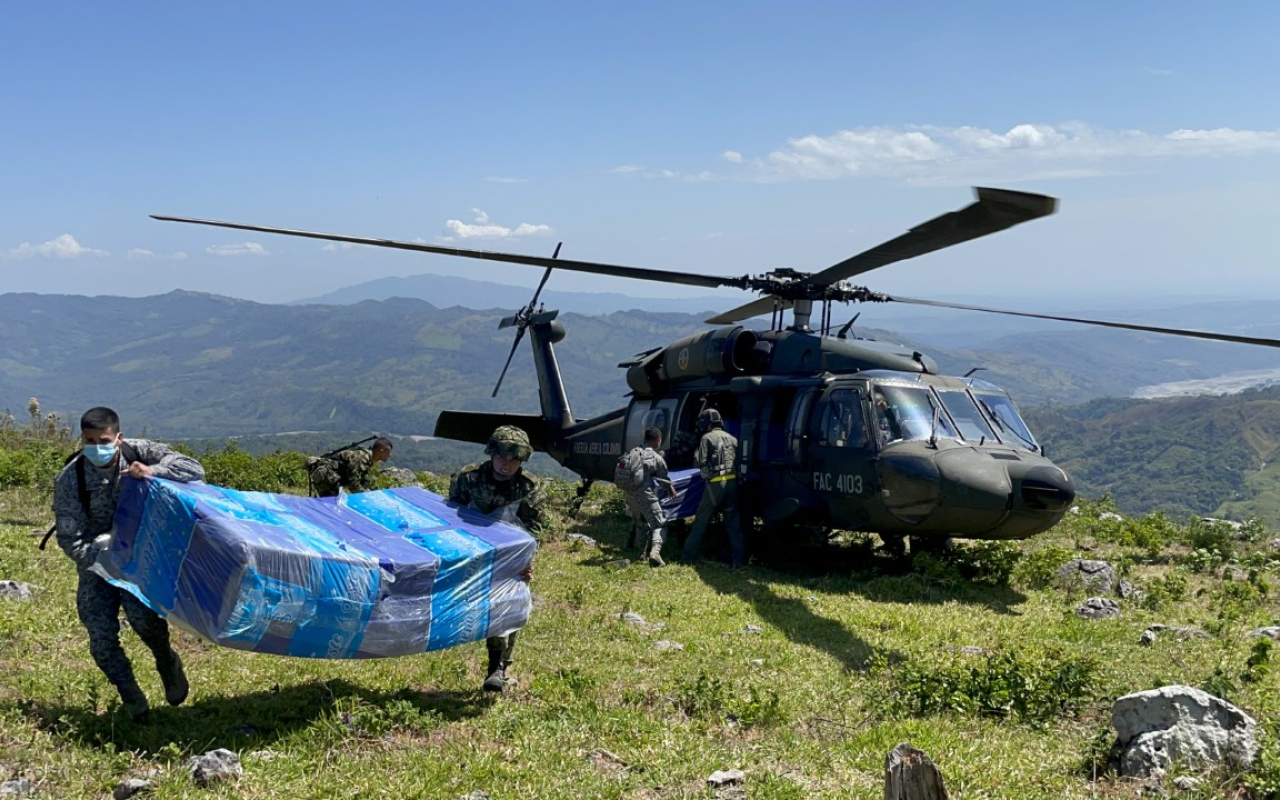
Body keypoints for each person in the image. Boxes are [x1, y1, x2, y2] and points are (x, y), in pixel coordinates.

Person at [51, 406, 206, 720]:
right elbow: (70, 538)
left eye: (103, 440)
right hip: (97, 563)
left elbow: (193, 468)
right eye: (89, 440)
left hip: (140, 557)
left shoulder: (138, 451)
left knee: (146, 623)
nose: (97, 447)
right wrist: (102, 561)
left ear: (118, 437)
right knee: (100, 637)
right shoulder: (71, 479)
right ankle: (132, 697)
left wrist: (152, 471)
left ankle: (167, 663)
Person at [448, 425, 544, 692]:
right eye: (502, 457)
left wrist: (526, 561)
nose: (506, 464)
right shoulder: (468, 479)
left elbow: (535, 528)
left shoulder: (528, 486)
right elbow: (447, 517)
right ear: (492, 454)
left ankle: (497, 668)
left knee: (506, 607)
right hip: (470, 553)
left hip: (509, 556)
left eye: (514, 459)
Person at [681, 409, 745, 568]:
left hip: (716, 484)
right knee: (733, 525)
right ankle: (739, 561)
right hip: (732, 483)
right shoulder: (733, 438)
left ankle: (687, 558)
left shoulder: (707, 438)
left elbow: (698, 462)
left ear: (706, 424)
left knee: (701, 522)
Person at [620, 426, 676, 567]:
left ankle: (640, 552)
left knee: (641, 522)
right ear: (657, 440)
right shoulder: (656, 457)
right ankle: (655, 553)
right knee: (660, 524)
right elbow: (663, 479)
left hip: (628, 494)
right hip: (645, 495)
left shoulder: (632, 453)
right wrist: (669, 488)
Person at [308, 437, 393, 497]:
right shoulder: (360, 458)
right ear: (381, 451)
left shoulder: (368, 460)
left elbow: (363, 480)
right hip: (326, 476)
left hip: (333, 477)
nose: (389, 455)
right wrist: (365, 496)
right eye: (388, 452)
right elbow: (353, 484)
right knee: (330, 503)